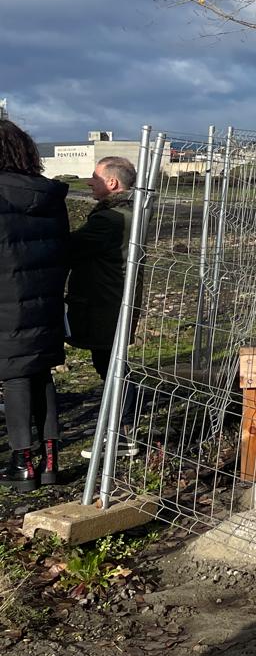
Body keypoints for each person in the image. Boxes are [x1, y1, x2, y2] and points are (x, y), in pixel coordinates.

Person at [0, 121, 69, 490]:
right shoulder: (50, 196)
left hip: (6, 303)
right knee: (40, 374)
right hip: (44, 299)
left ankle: (22, 461)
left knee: (16, 378)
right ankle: (50, 459)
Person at [67, 155, 140, 460]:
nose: (89, 182)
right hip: (115, 302)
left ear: (112, 183)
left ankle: (122, 434)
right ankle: (121, 429)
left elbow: (71, 247)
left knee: (112, 367)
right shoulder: (128, 213)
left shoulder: (109, 220)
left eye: (95, 177)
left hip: (105, 305)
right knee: (112, 365)